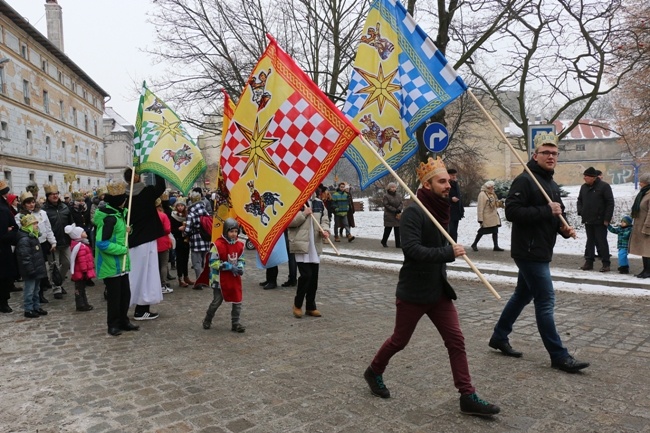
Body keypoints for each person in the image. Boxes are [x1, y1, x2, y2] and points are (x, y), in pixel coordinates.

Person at [362, 157, 500, 417]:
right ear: (427, 184)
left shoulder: (441, 208)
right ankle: (373, 371)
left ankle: (467, 395)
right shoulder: (415, 211)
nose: (448, 185)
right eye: (442, 181)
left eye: (449, 181)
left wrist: (445, 253)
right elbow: (412, 249)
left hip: (438, 291)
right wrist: (448, 252)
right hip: (414, 292)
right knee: (399, 341)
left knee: (456, 340)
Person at [488, 132, 590, 373]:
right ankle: (559, 355)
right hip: (529, 251)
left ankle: (499, 336)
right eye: (546, 152)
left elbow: (553, 216)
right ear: (535, 155)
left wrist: (564, 229)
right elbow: (512, 212)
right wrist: (546, 210)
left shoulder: (551, 183)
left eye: (554, 153)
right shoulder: (525, 180)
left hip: (542, 249)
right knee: (545, 301)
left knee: (522, 295)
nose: (551, 156)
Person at [94, 181, 139, 336]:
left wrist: (128, 230)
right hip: (111, 264)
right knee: (114, 297)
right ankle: (112, 324)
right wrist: (122, 250)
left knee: (125, 295)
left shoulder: (119, 215)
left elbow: (119, 236)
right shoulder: (109, 219)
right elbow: (102, 243)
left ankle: (123, 320)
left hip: (121, 265)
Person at [124, 168, 166, 320]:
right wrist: (157, 169)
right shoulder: (146, 192)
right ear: (136, 177)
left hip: (132, 239)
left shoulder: (124, 195)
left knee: (135, 274)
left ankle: (135, 306)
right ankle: (140, 309)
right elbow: (161, 187)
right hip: (145, 239)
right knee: (146, 275)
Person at [289, 193, 330, 318]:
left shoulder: (319, 202)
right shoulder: (295, 202)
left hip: (314, 245)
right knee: (306, 275)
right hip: (301, 244)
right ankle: (297, 304)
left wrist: (325, 230)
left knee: (314, 279)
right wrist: (304, 214)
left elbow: (325, 219)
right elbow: (290, 222)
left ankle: (311, 306)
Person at [202, 218, 246, 332]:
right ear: (226, 231)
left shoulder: (240, 245)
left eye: (236, 231)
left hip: (234, 278)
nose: (234, 234)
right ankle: (207, 319)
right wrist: (228, 266)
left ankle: (235, 323)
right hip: (219, 279)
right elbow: (213, 263)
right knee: (217, 301)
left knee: (237, 300)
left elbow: (241, 258)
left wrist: (240, 267)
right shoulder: (217, 245)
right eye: (231, 231)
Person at [16, 191, 57, 304]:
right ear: (24, 204)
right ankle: (34, 297)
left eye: (33, 202)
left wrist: (52, 242)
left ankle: (40, 294)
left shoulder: (42, 213)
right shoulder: (19, 217)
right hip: (29, 245)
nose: (31, 205)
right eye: (28, 203)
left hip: (42, 243)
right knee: (33, 270)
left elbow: (48, 228)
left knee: (42, 269)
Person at [577, 167, 615, 272]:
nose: (584, 178)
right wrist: (581, 211)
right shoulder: (584, 187)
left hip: (600, 220)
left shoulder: (604, 186)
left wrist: (607, 218)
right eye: (584, 176)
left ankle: (606, 263)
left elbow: (610, 203)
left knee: (601, 241)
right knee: (590, 241)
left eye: (587, 176)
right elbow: (579, 200)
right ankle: (589, 262)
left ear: (593, 177)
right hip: (588, 219)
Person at [42, 183, 74, 299]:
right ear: (48, 196)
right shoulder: (44, 210)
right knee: (53, 266)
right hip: (52, 243)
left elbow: (71, 222)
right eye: (52, 194)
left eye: (56, 194)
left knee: (67, 263)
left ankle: (58, 281)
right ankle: (56, 288)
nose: (55, 196)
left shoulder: (65, 207)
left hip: (65, 240)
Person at [15, 214, 48, 318]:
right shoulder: (24, 240)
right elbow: (26, 257)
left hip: (36, 268)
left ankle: (36, 306)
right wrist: (30, 270)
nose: (37, 225)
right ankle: (28, 309)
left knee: (36, 290)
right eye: (34, 224)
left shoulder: (33, 236)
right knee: (29, 290)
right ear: (28, 225)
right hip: (30, 270)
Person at [64, 224, 95, 311]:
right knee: (80, 289)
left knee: (81, 289)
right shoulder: (80, 246)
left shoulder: (82, 244)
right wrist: (85, 270)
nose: (85, 232)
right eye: (83, 232)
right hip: (80, 272)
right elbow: (82, 260)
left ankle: (83, 303)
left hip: (80, 271)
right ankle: (81, 304)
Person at [184, 190, 211, 289]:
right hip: (206, 239)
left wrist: (184, 233)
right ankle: (206, 281)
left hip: (196, 241)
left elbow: (187, 229)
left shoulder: (191, 213)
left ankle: (199, 282)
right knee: (206, 262)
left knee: (197, 263)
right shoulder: (205, 212)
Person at [0, 179, 19, 313]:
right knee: (3, 277)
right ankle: (3, 302)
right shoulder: (2, 208)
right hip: (3, 248)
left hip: (4, 247)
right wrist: (10, 232)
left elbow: (13, 226)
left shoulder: (4, 206)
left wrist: (11, 230)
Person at [471, 181, 504, 252]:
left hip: (493, 216)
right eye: (492, 187)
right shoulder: (482, 194)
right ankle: (474, 244)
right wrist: (480, 219)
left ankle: (496, 246)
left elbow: (495, 203)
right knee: (482, 231)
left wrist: (500, 203)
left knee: (495, 230)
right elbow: (480, 207)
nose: (493, 188)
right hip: (487, 217)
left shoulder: (492, 194)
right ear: (488, 187)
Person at [629, 172, 650, 278]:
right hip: (640, 225)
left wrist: (647, 226)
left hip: (647, 227)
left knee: (648, 250)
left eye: (642, 182)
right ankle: (645, 269)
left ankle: (648, 271)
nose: (640, 184)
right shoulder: (643, 193)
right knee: (644, 250)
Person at [170, 198, 193, 287]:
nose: (180, 207)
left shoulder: (187, 216)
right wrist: (178, 229)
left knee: (186, 258)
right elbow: (171, 229)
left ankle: (186, 276)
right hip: (178, 239)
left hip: (186, 239)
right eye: (178, 206)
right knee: (179, 259)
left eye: (182, 205)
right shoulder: (173, 215)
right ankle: (180, 278)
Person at [155, 198, 173, 294]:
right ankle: (163, 284)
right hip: (163, 241)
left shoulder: (150, 216)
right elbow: (167, 229)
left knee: (155, 264)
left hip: (153, 242)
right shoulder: (163, 215)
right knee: (164, 264)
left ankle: (155, 283)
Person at [380, 182, 402, 248]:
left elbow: (401, 203)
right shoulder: (386, 196)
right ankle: (384, 241)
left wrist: (399, 209)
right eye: (392, 187)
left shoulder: (398, 195)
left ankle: (398, 244)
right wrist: (394, 210)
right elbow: (386, 205)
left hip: (397, 215)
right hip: (389, 215)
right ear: (389, 188)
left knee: (397, 230)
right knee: (388, 229)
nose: (393, 188)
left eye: (394, 187)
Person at [447, 168, 464, 243]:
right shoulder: (446, 184)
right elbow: (441, 197)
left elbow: (459, 197)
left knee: (454, 231)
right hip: (449, 211)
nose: (454, 177)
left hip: (456, 212)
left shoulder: (455, 184)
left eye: (455, 175)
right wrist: (451, 199)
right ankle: (449, 248)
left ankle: (454, 247)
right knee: (449, 231)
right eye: (452, 175)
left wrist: (461, 209)